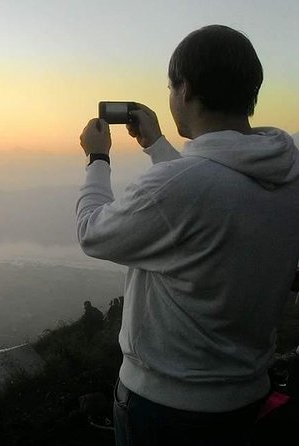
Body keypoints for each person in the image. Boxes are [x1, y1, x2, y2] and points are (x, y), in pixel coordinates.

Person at [76, 24, 299, 446]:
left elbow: (93, 231)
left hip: (166, 410)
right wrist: (157, 145)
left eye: (170, 85)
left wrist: (98, 158)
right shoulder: (288, 171)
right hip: (249, 396)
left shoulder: (181, 187)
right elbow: (205, 195)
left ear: (186, 89)